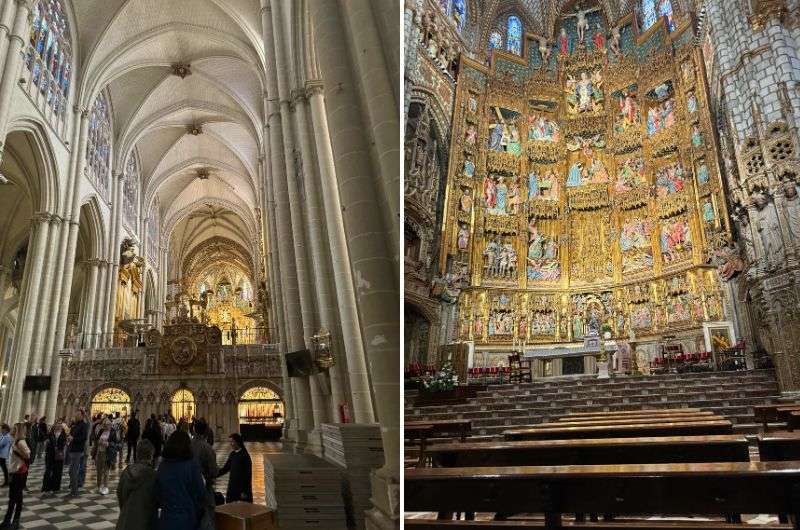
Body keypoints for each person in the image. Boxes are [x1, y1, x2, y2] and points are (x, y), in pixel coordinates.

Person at [156, 431, 206, 530]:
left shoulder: (162, 465)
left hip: (166, 518)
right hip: (186, 518)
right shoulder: (191, 465)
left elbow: (158, 492)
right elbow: (200, 492)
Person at [116, 439, 158, 530]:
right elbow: (157, 500)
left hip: (125, 520)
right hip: (145, 522)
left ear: (137, 453)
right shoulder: (153, 475)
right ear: (151, 455)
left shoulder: (126, 472)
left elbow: (120, 494)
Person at [0, 423, 29, 529]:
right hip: (13, 472)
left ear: (18, 430)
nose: (11, 429)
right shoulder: (14, 440)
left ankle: (15, 520)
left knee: (16, 498)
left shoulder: (21, 442)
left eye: (14, 428)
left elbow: (28, 454)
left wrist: (17, 451)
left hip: (18, 473)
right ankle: (8, 520)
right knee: (13, 497)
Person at [191, 420, 218, 530]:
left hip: (189, 487)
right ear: (206, 432)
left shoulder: (187, 445)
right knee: (207, 516)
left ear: (194, 430)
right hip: (204, 487)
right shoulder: (206, 448)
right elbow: (214, 470)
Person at [217, 433, 252, 503]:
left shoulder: (245, 456)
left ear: (237, 442)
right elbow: (226, 468)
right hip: (232, 487)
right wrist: (215, 474)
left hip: (241, 489)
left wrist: (244, 491)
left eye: (232, 441)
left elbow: (248, 475)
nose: (231, 444)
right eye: (230, 442)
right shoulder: (232, 454)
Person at [93, 419, 117, 495]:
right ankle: (99, 486)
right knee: (99, 470)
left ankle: (106, 487)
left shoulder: (113, 433)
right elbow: (96, 440)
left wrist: (108, 444)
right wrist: (98, 442)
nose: (106, 426)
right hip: (99, 452)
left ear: (110, 425)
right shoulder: (101, 431)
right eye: (105, 424)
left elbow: (116, 443)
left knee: (106, 471)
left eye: (107, 424)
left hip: (107, 453)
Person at [41, 422, 66, 496]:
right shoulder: (50, 434)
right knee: (48, 471)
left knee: (57, 471)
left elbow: (64, 443)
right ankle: (46, 488)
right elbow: (46, 441)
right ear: (54, 426)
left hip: (59, 455)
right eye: (56, 425)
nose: (58, 427)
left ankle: (55, 487)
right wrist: (47, 443)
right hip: (50, 454)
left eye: (59, 426)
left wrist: (60, 447)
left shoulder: (63, 434)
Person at [66, 410, 88, 497]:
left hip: (78, 450)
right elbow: (71, 433)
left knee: (73, 471)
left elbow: (84, 437)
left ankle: (74, 491)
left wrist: (73, 439)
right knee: (71, 471)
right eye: (76, 414)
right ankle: (73, 488)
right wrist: (69, 437)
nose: (76, 416)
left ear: (82, 416)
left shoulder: (84, 425)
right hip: (72, 449)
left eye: (78, 415)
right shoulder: (75, 425)